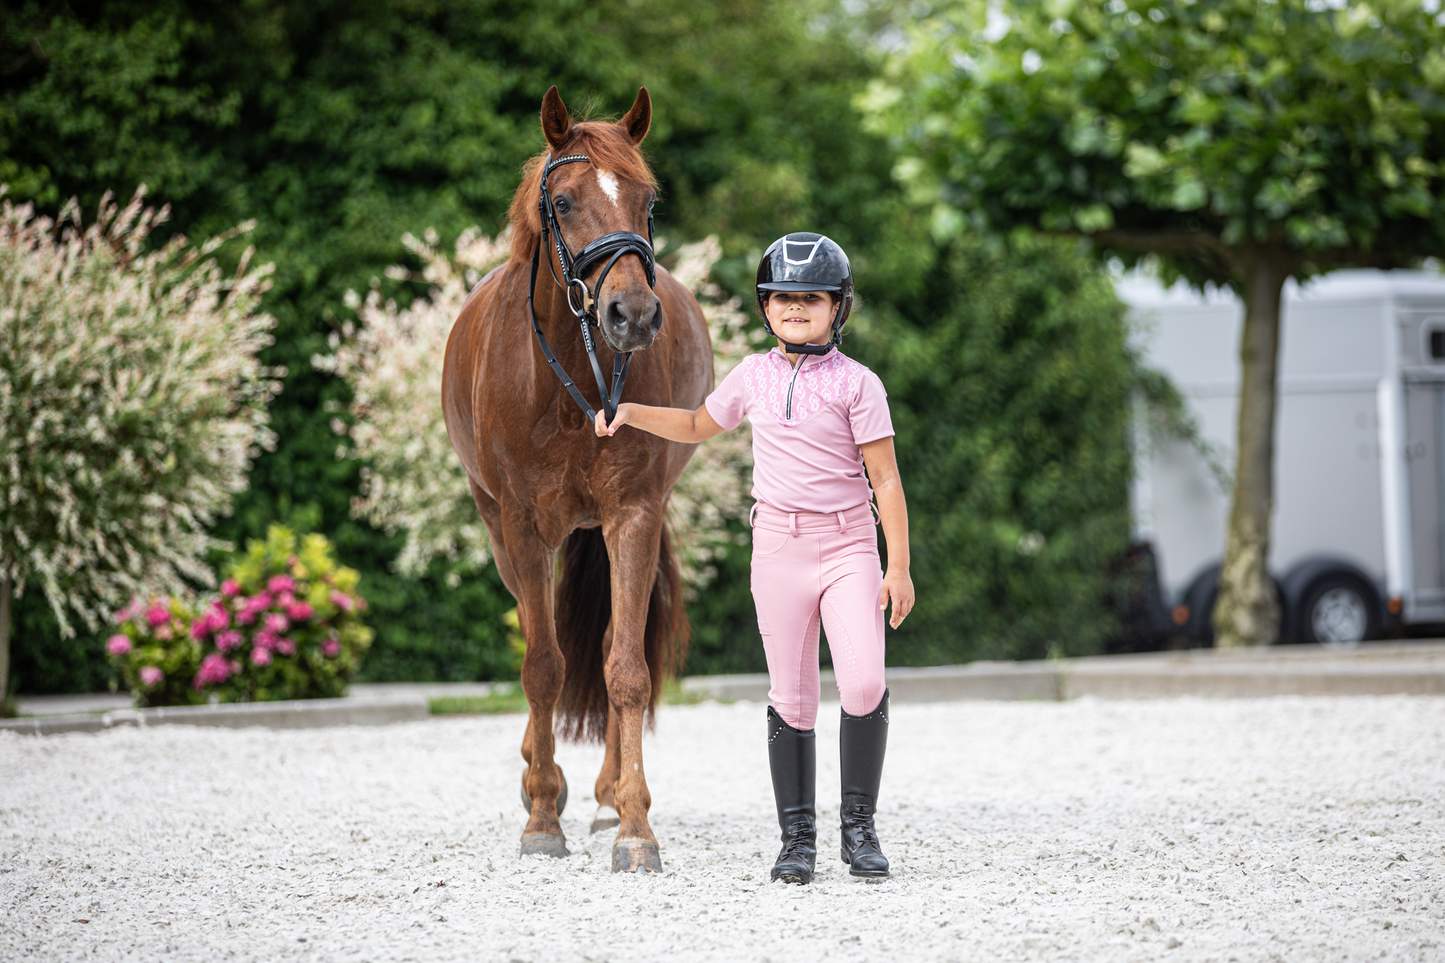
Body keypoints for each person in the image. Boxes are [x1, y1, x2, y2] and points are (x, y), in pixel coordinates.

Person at [595, 232, 914, 884]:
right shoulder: (752, 375)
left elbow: (884, 478)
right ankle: (796, 839)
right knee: (791, 697)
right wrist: (629, 411)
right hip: (776, 548)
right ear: (765, 306)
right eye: (782, 299)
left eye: (810, 299)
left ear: (837, 307)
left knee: (861, 683)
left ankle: (859, 829)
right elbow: (693, 426)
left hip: (847, 543)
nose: (795, 309)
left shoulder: (859, 384)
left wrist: (897, 564)